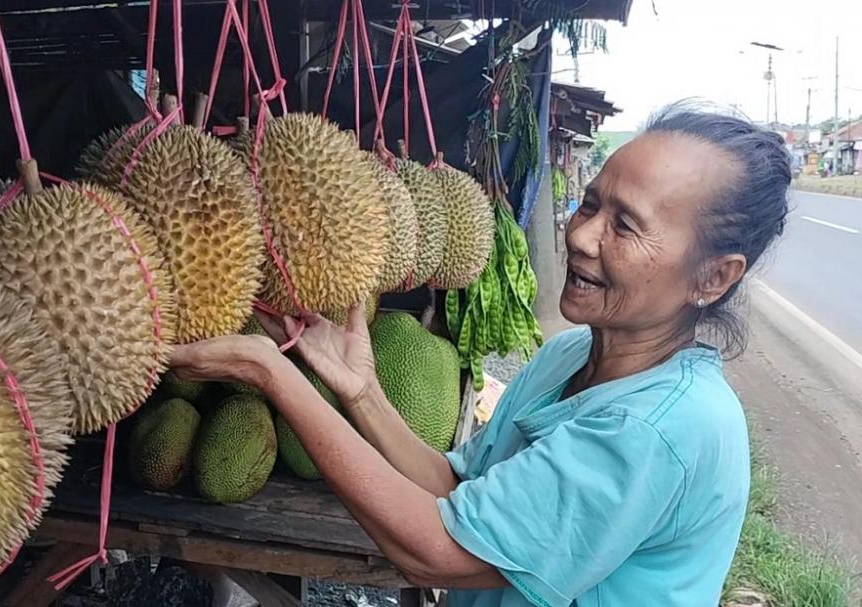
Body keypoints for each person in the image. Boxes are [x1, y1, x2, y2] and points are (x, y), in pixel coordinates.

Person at [169, 104, 791, 606]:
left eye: (625, 225)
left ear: (713, 278)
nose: (579, 234)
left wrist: (273, 374)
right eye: (591, 203)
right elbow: (454, 491)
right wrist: (361, 390)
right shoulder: (571, 356)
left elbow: (437, 552)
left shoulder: (660, 429)